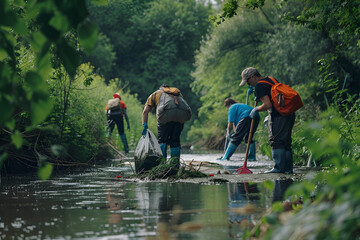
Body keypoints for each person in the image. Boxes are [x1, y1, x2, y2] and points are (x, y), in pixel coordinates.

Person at [239, 67, 295, 173]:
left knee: (277, 141)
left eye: (248, 81)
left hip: (278, 116)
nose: (248, 84)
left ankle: (278, 168)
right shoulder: (271, 79)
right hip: (289, 113)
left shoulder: (259, 85)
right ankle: (288, 169)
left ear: (253, 77)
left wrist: (256, 109)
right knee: (286, 142)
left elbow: (267, 104)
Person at [142, 84, 191, 160]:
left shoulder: (156, 94)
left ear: (161, 88)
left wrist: (144, 125)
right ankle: (175, 164)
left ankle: (162, 163)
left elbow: (145, 111)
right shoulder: (177, 93)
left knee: (162, 140)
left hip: (165, 117)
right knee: (175, 140)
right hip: (180, 117)